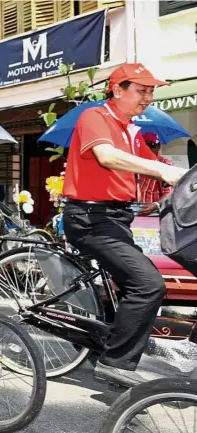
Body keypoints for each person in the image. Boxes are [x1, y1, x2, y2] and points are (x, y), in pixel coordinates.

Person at [62, 63, 188, 387]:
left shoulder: (131, 129)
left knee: (133, 288)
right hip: (90, 221)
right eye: (141, 90)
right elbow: (107, 156)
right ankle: (114, 364)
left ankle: (115, 352)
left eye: (151, 91)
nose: (148, 97)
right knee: (149, 285)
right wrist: (161, 172)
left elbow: (155, 165)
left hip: (117, 219)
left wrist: (177, 181)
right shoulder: (95, 117)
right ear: (118, 90)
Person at [136, 132, 173, 216]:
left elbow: (169, 193)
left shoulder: (164, 165)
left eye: (152, 145)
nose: (149, 149)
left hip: (153, 212)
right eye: (145, 145)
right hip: (133, 209)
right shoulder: (135, 162)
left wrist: (156, 204)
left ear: (158, 146)